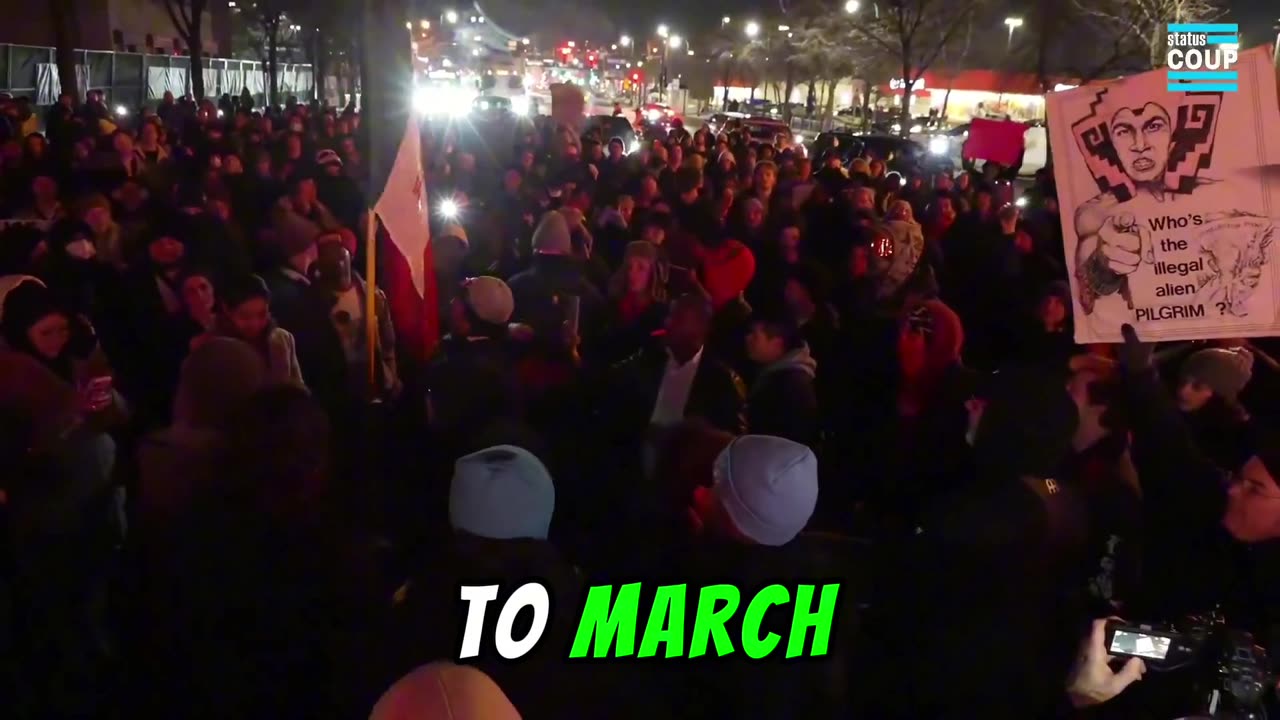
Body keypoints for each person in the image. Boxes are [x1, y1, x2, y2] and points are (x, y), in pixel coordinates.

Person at [207, 275, 305, 388]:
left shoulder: (281, 339)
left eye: (262, 314)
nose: (255, 323)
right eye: (245, 316)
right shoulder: (213, 348)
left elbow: (297, 387)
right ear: (227, 310)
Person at [743, 309, 820, 447]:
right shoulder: (777, 376)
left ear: (777, 344)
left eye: (755, 336)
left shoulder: (789, 386)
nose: (748, 339)